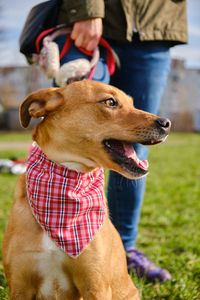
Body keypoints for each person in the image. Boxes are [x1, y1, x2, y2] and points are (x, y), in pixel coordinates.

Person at [54, 0, 188, 282]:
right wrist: (87, 10)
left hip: (155, 30)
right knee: (72, 135)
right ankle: (55, 247)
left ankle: (123, 248)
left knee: (136, 142)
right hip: (90, 28)